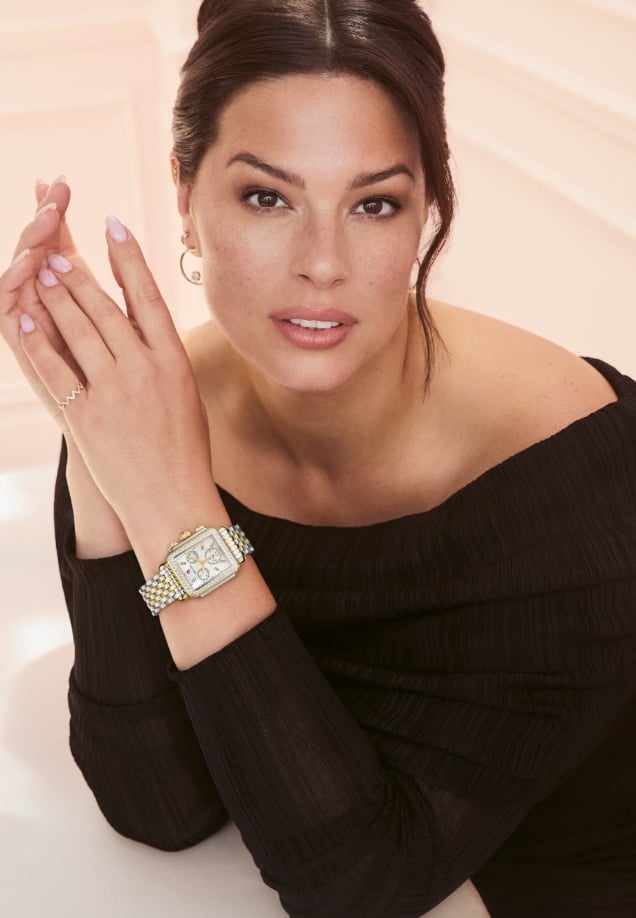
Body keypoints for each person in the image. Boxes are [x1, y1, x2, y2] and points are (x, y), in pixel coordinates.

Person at [1, 1, 635, 915]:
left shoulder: (579, 482)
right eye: (267, 197)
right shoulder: (149, 415)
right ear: (185, 197)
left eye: (374, 204)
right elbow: (159, 806)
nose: (323, 264)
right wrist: (97, 448)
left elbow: (362, 887)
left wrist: (176, 511)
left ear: (426, 210)